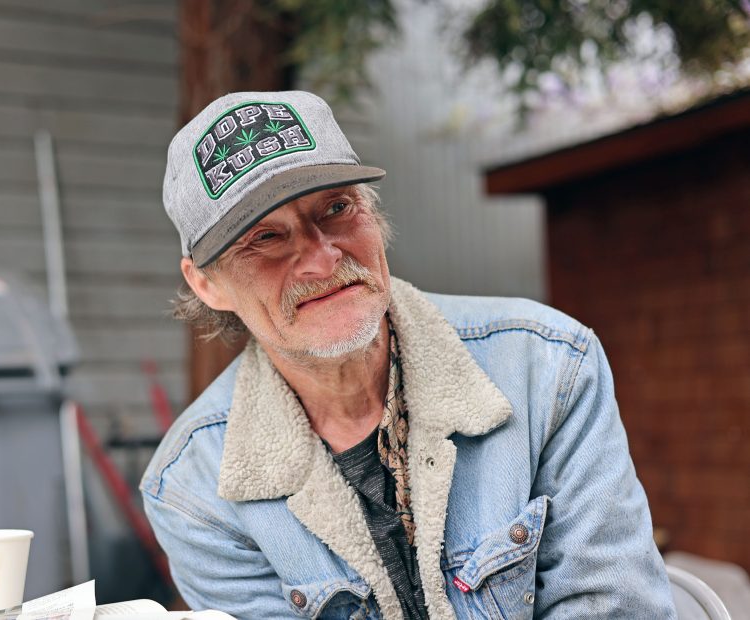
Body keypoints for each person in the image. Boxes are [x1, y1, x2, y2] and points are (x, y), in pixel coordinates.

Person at [140, 90, 675, 619]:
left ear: (372, 212)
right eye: (264, 238)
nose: (322, 260)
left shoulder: (548, 366)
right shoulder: (192, 491)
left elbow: (615, 608)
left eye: (336, 208)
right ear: (207, 284)